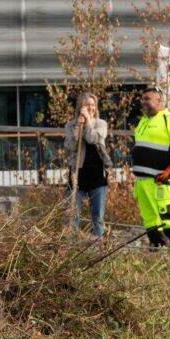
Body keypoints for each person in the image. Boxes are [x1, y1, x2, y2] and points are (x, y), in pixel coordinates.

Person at [131, 87, 170, 250]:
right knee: (150, 220)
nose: (143, 102)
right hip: (143, 183)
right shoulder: (143, 121)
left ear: (159, 102)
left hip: (161, 182)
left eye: (147, 99)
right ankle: (157, 252)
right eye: (142, 99)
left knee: (169, 218)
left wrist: (169, 170)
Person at [64, 92, 112, 236]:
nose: (90, 107)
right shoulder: (70, 125)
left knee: (97, 215)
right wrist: (77, 129)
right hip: (77, 174)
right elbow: (71, 146)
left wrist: (89, 123)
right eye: (87, 105)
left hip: (97, 173)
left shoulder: (101, 123)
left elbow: (92, 139)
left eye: (92, 105)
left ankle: (100, 245)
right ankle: (71, 243)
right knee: (72, 213)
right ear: (80, 106)